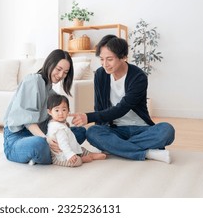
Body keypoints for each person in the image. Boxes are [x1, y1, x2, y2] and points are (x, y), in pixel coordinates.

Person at [71, 35, 175, 164]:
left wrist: (88, 117)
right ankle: (147, 152)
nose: (105, 64)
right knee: (92, 132)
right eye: (102, 59)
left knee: (167, 130)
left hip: (140, 128)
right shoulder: (100, 74)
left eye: (109, 59)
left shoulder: (138, 77)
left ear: (123, 57)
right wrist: (99, 130)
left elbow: (122, 108)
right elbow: (99, 106)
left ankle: (115, 147)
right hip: (115, 129)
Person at [3, 49, 86, 165]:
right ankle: (50, 154)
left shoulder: (52, 93)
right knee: (39, 144)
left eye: (66, 72)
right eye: (58, 69)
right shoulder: (33, 80)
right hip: (18, 138)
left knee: (79, 132)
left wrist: (64, 119)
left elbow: (52, 122)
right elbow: (28, 122)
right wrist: (46, 139)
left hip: (41, 134)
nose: (61, 75)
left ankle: (47, 154)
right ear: (50, 63)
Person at [46, 94, 107, 167]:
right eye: (57, 110)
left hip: (69, 148)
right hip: (60, 156)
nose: (61, 113)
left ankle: (91, 154)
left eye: (64, 110)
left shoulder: (55, 122)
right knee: (75, 162)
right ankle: (83, 159)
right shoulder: (59, 129)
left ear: (68, 111)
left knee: (81, 149)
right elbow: (63, 144)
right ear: (49, 112)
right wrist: (69, 155)